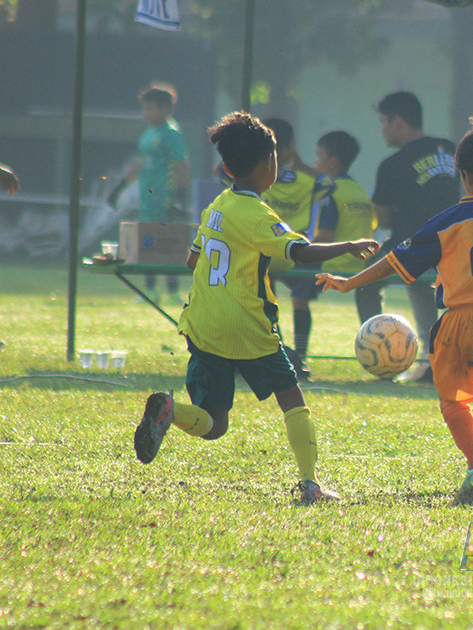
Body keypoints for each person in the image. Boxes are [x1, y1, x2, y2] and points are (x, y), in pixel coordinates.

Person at [131, 111, 378, 504]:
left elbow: (192, 261)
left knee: (215, 424)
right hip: (248, 324)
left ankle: (170, 411)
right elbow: (299, 251)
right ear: (269, 163)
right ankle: (310, 485)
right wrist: (348, 246)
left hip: (204, 323)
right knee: (291, 397)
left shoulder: (217, 206)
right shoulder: (259, 215)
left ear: (228, 167)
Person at [316, 117, 473, 509]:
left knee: (454, 400)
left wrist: (350, 282)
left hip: (461, 319)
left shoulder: (448, 221)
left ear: (464, 176)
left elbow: (396, 260)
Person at [358, 91, 461, 383]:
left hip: (411, 247)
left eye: (383, 121)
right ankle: (432, 360)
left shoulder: (393, 164)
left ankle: (378, 355)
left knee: (365, 284)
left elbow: (384, 218)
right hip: (452, 244)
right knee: (421, 287)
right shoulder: (451, 150)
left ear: (398, 122)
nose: (382, 129)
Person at [108, 83, 191, 303]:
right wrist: (118, 188)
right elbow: (139, 164)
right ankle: (150, 290)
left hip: (165, 197)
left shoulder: (171, 134)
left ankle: (173, 291)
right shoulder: (148, 134)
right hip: (148, 197)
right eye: (144, 108)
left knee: (167, 243)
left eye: (150, 108)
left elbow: (181, 165)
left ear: (165, 109)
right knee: (148, 243)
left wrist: (181, 197)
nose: (145, 113)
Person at [260, 118, 322, 379]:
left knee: (299, 297)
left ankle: (300, 355)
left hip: (299, 251)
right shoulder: (260, 175)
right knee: (265, 288)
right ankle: (279, 352)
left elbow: (324, 182)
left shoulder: (309, 179)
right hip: (270, 250)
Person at [313, 131, 377, 324]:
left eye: (319, 155)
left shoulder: (332, 192)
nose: (315, 161)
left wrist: (300, 247)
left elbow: (325, 237)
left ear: (332, 162)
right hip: (363, 266)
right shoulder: (359, 191)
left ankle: (298, 343)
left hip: (333, 266)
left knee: (295, 290)